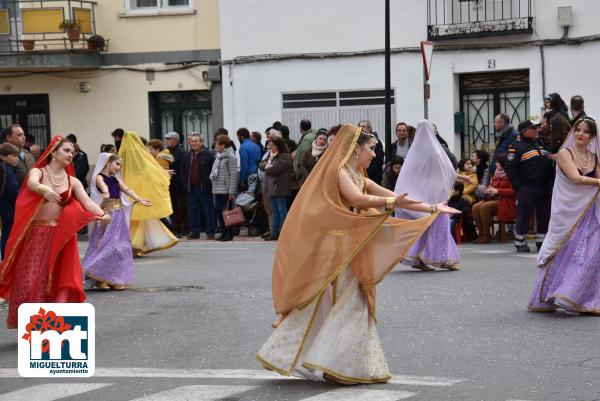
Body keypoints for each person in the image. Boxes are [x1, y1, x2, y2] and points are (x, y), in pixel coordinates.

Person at [257, 125, 458, 384]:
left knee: (339, 301)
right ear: (355, 149)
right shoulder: (339, 172)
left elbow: (396, 196)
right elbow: (359, 200)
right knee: (347, 301)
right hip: (338, 248)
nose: (374, 154)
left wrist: (431, 207)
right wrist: (392, 204)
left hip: (354, 245)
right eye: (371, 149)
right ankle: (339, 364)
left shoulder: (358, 175)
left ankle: (322, 359)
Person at [0, 136, 110, 328]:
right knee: (30, 278)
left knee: (60, 280)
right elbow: (32, 184)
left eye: (72, 152)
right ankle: (31, 321)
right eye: (66, 150)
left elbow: (88, 203)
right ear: (53, 152)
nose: (71, 154)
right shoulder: (38, 172)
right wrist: (44, 190)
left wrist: (103, 214)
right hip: (37, 235)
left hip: (62, 237)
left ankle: (51, 324)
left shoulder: (72, 181)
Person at [528, 117, 600, 314]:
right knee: (563, 250)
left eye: (585, 131)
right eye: (578, 129)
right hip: (568, 210)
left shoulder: (595, 157)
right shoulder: (564, 153)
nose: (580, 134)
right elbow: (576, 178)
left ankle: (580, 298)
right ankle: (547, 296)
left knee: (591, 254)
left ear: (592, 136)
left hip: (589, 211)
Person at [394, 120, 461, 271]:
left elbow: (407, 175)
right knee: (440, 228)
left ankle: (418, 259)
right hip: (435, 196)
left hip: (419, 197)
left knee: (421, 229)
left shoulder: (414, 151)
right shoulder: (436, 150)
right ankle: (443, 258)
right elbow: (449, 171)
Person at [83, 153, 150, 290]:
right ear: (108, 163)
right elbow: (102, 186)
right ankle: (99, 278)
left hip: (118, 217)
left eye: (120, 165)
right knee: (105, 246)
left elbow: (126, 189)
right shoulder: (99, 177)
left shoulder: (115, 179)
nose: (119, 168)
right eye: (117, 164)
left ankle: (113, 278)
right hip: (107, 217)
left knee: (120, 248)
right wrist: (105, 192)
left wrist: (138, 198)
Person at [119, 132, 178, 256]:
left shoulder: (122, 154)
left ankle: (128, 245)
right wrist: (164, 173)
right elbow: (150, 170)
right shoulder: (141, 155)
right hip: (140, 188)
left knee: (129, 218)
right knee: (140, 218)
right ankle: (136, 245)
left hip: (126, 189)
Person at [505, 119, 554, 252]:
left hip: (544, 186)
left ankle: (541, 242)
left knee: (544, 215)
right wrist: (518, 186)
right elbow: (510, 168)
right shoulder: (516, 146)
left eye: (537, 127)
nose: (537, 130)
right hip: (527, 186)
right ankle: (520, 242)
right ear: (525, 131)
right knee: (524, 215)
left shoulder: (541, 143)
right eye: (533, 128)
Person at [472, 154, 515, 244]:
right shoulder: (496, 173)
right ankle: (481, 234)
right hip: (493, 198)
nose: (496, 164)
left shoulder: (511, 174)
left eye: (498, 163)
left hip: (505, 200)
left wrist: (497, 191)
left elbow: (514, 192)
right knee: (475, 207)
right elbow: (492, 186)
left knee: (484, 207)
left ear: (503, 164)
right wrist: (488, 190)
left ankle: (487, 235)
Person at [181, 134, 216, 240]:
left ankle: (210, 232)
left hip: (205, 188)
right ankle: (194, 232)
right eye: (192, 141)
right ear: (189, 142)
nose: (194, 143)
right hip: (191, 188)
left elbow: (214, 171)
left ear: (201, 142)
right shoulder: (186, 156)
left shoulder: (209, 155)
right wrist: (185, 185)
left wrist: (210, 185)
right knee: (192, 211)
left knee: (208, 210)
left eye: (196, 141)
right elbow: (182, 172)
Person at [259, 137, 293, 241]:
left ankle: (284, 232)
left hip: (280, 187)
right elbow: (260, 164)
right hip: (271, 187)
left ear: (278, 146)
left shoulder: (285, 157)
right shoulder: (271, 156)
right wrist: (265, 166)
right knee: (274, 211)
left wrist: (266, 167)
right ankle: (274, 233)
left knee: (282, 210)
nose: (270, 147)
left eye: (272, 145)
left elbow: (273, 170)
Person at [210, 134, 239, 242]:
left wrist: (231, 192)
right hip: (217, 188)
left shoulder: (231, 156)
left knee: (228, 212)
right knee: (218, 211)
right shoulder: (218, 156)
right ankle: (223, 232)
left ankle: (229, 233)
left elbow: (233, 174)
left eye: (217, 144)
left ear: (223, 145)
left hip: (226, 190)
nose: (215, 146)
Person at [164, 132, 188, 237]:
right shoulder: (168, 151)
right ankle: (176, 226)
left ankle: (184, 227)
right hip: (171, 184)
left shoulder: (180, 152)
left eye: (169, 139)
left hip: (179, 184)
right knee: (173, 207)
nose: (167, 141)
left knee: (181, 207)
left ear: (175, 140)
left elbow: (173, 160)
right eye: (167, 139)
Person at [0, 143, 20, 258]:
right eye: (13, 156)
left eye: (17, 156)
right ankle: (6, 258)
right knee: (8, 233)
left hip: (5, 206)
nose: (16, 158)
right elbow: (14, 193)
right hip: (8, 207)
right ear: (3, 156)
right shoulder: (7, 172)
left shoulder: (6, 169)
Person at [358, 120, 384, 184]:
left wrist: (366, 171)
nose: (361, 128)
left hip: (373, 176)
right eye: (360, 126)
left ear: (369, 128)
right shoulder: (358, 141)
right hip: (360, 174)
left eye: (363, 127)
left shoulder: (377, 142)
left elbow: (379, 160)